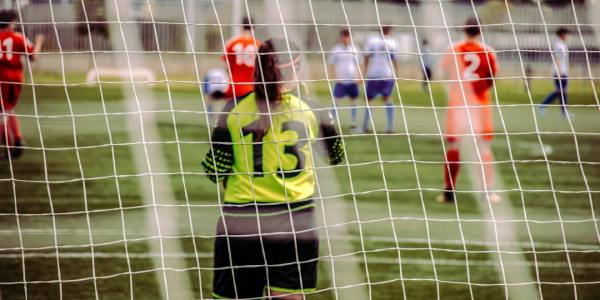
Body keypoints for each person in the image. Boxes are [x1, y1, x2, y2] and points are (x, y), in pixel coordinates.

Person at [202, 38, 345, 299]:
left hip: (241, 220)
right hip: (295, 222)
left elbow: (214, 171)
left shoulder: (232, 110)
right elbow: (335, 156)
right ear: (296, 70)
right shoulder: (313, 109)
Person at [437, 17, 499, 203]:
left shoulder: (452, 50)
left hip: (458, 104)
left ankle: (449, 191)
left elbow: (444, 74)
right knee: (483, 147)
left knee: (454, 146)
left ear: (464, 30)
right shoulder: (488, 51)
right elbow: (491, 79)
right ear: (480, 31)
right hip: (479, 105)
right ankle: (487, 192)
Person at [0, 9, 44, 159]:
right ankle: (17, 140)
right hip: (17, 78)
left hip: (1, 77)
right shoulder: (18, 37)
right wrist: (39, 42)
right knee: (9, 109)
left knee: (2, 112)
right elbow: (34, 57)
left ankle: (7, 147)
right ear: (11, 22)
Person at [360, 25, 398, 134]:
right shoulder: (392, 42)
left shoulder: (372, 40)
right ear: (388, 31)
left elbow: (367, 57)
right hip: (387, 75)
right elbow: (395, 59)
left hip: (373, 74)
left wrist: (364, 72)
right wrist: (397, 73)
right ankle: (390, 128)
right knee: (387, 98)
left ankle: (365, 126)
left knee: (369, 100)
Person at [328, 28, 361, 128]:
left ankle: (353, 122)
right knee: (335, 101)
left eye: (347, 36)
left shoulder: (355, 49)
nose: (345, 38)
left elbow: (360, 64)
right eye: (344, 36)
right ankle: (331, 120)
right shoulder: (336, 49)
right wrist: (335, 77)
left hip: (352, 81)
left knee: (353, 101)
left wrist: (359, 77)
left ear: (350, 37)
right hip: (341, 81)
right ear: (341, 37)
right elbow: (331, 64)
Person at [538, 27, 571, 118]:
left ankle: (563, 112)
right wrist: (559, 72)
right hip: (559, 72)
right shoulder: (558, 45)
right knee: (560, 91)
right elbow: (557, 59)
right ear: (562, 34)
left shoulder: (562, 44)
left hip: (564, 71)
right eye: (566, 34)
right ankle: (543, 105)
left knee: (562, 91)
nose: (567, 36)